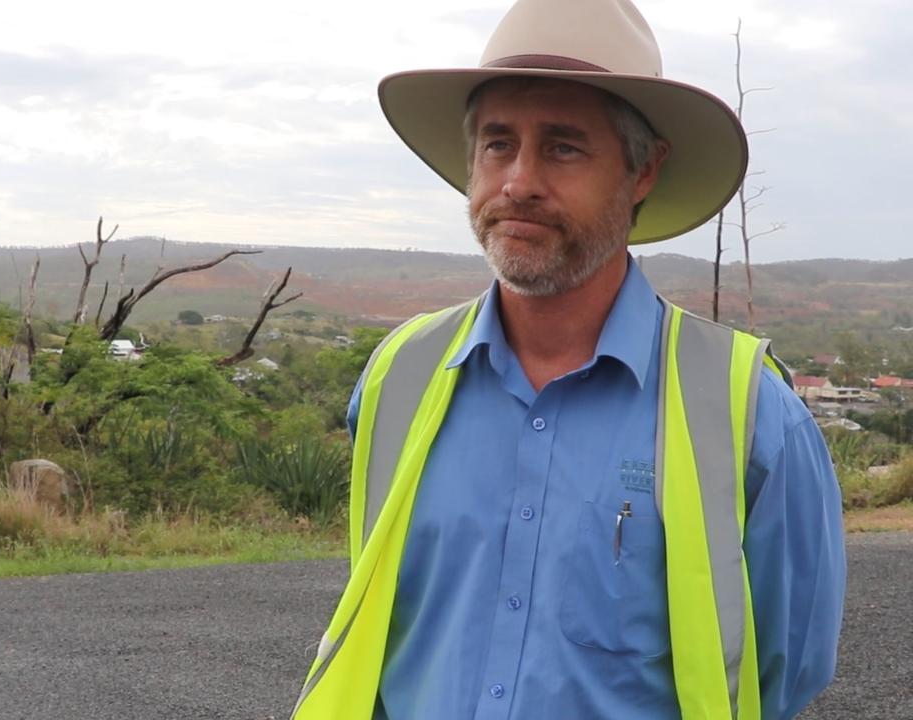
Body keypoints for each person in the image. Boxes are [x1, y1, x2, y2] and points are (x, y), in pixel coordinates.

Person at [290, 0, 846, 719]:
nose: (518, 180)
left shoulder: (750, 415)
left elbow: (787, 669)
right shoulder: (398, 377)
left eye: (562, 147)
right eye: (497, 144)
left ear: (643, 171)